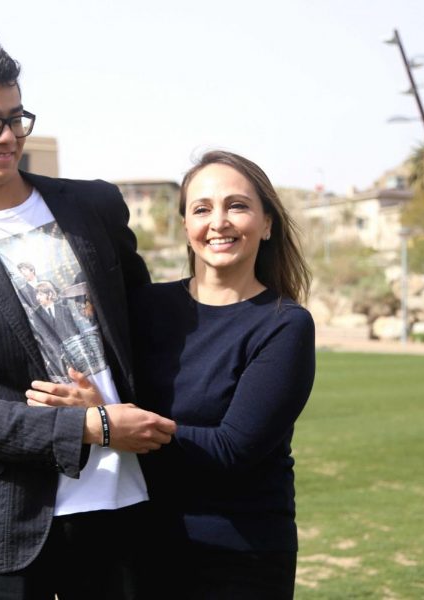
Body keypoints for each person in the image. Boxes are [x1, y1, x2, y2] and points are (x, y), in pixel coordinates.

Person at [0, 34, 176, 599]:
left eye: (15, 117)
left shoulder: (94, 206)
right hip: (13, 534)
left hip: (134, 512)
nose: (6, 137)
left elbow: (152, 331)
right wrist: (94, 426)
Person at [29, 150, 316, 598]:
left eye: (237, 206)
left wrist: (107, 420)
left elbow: (231, 450)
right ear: (186, 225)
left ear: (267, 224)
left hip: (238, 558)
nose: (218, 221)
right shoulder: (146, 306)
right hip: (136, 543)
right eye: (202, 209)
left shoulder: (284, 325)